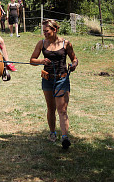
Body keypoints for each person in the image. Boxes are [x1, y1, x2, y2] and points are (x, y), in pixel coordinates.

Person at [30, 19, 78, 149]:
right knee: (51, 108)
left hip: (62, 79)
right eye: (43, 31)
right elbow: (32, 60)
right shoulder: (41, 44)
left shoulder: (66, 44)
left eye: (47, 31)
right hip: (47, 79)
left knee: (62, 109)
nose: (44, 33)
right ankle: (52, 133)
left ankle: (64, 137)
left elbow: (74, 58)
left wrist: (73, 65)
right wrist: (41, 61)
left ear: (54, 30)